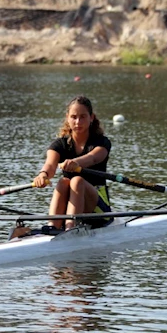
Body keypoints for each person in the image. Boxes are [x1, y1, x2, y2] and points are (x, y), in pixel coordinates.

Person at [33, 95, 112, 231]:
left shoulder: (101, 142)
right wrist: (43, 175)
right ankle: (54, 226)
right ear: (67, 118)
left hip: (99, 208)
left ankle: (70, 229)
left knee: (77, 181)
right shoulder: (59, 145)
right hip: (72, 204)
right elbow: (50, 165)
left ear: (91, 118)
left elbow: (93, 158)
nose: (78, 122)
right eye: (74, 117)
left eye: (83, 117)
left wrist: (75, 162)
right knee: (63, 182)